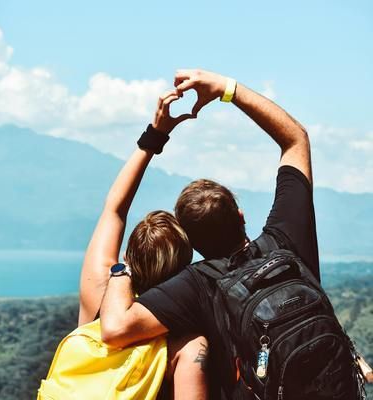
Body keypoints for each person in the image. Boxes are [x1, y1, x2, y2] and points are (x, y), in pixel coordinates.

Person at [99, 69, 320, 399]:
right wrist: (226, 89)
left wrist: (122, 269)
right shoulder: (286, 240)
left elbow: (115, 327)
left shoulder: (198, 285)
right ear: (241, 216)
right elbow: (295, 138)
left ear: (191, 241)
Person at [78, 89, 209, 399]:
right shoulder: (185, 340)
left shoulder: (99, 291)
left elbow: (114, 208)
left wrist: (156, 135)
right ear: (183, 268)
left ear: (127, 256)